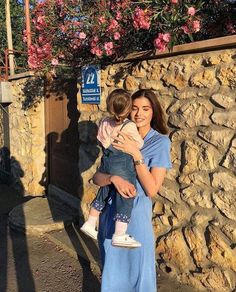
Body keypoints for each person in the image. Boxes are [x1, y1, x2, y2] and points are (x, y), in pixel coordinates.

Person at [93, 89, 172, 292]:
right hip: (109, 216)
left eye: (146, 109)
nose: (139, 114)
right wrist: (113, 178)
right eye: (134, 108)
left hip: (135, 219)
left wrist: (135, 153)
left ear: (153, 112)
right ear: (127, 110)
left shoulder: (160, 142)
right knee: (112, 277)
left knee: (138, 278)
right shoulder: (117, 132)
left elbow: (151, 188)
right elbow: (97, 178)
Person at [81, 89, 144, 248]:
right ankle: (120, 234)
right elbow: (139, 144)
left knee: (105, 190)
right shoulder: (129, 126)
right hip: (122, 162)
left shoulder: (104, 122)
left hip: (106, 160)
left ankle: (90, 222)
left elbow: (101, 139)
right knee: (127, 193)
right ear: (129, 109)